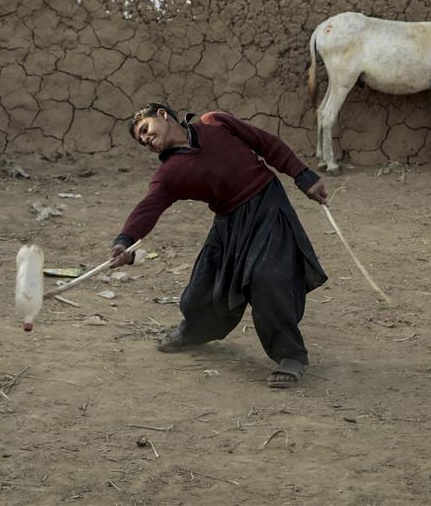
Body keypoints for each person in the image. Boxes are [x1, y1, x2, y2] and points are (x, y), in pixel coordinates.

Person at [109, 103, 329, 388]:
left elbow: (266, 144)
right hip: (229, 222)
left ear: (163, 115)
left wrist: (303, 176)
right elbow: (149, 206)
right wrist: (125, 241)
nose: (146, 140)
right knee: (202, 290)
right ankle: (195, 333)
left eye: (145, 130)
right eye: (142, 140)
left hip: (267, 206)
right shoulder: (170, 174)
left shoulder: (216, 123)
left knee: (267, 280)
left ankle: (291, 357)